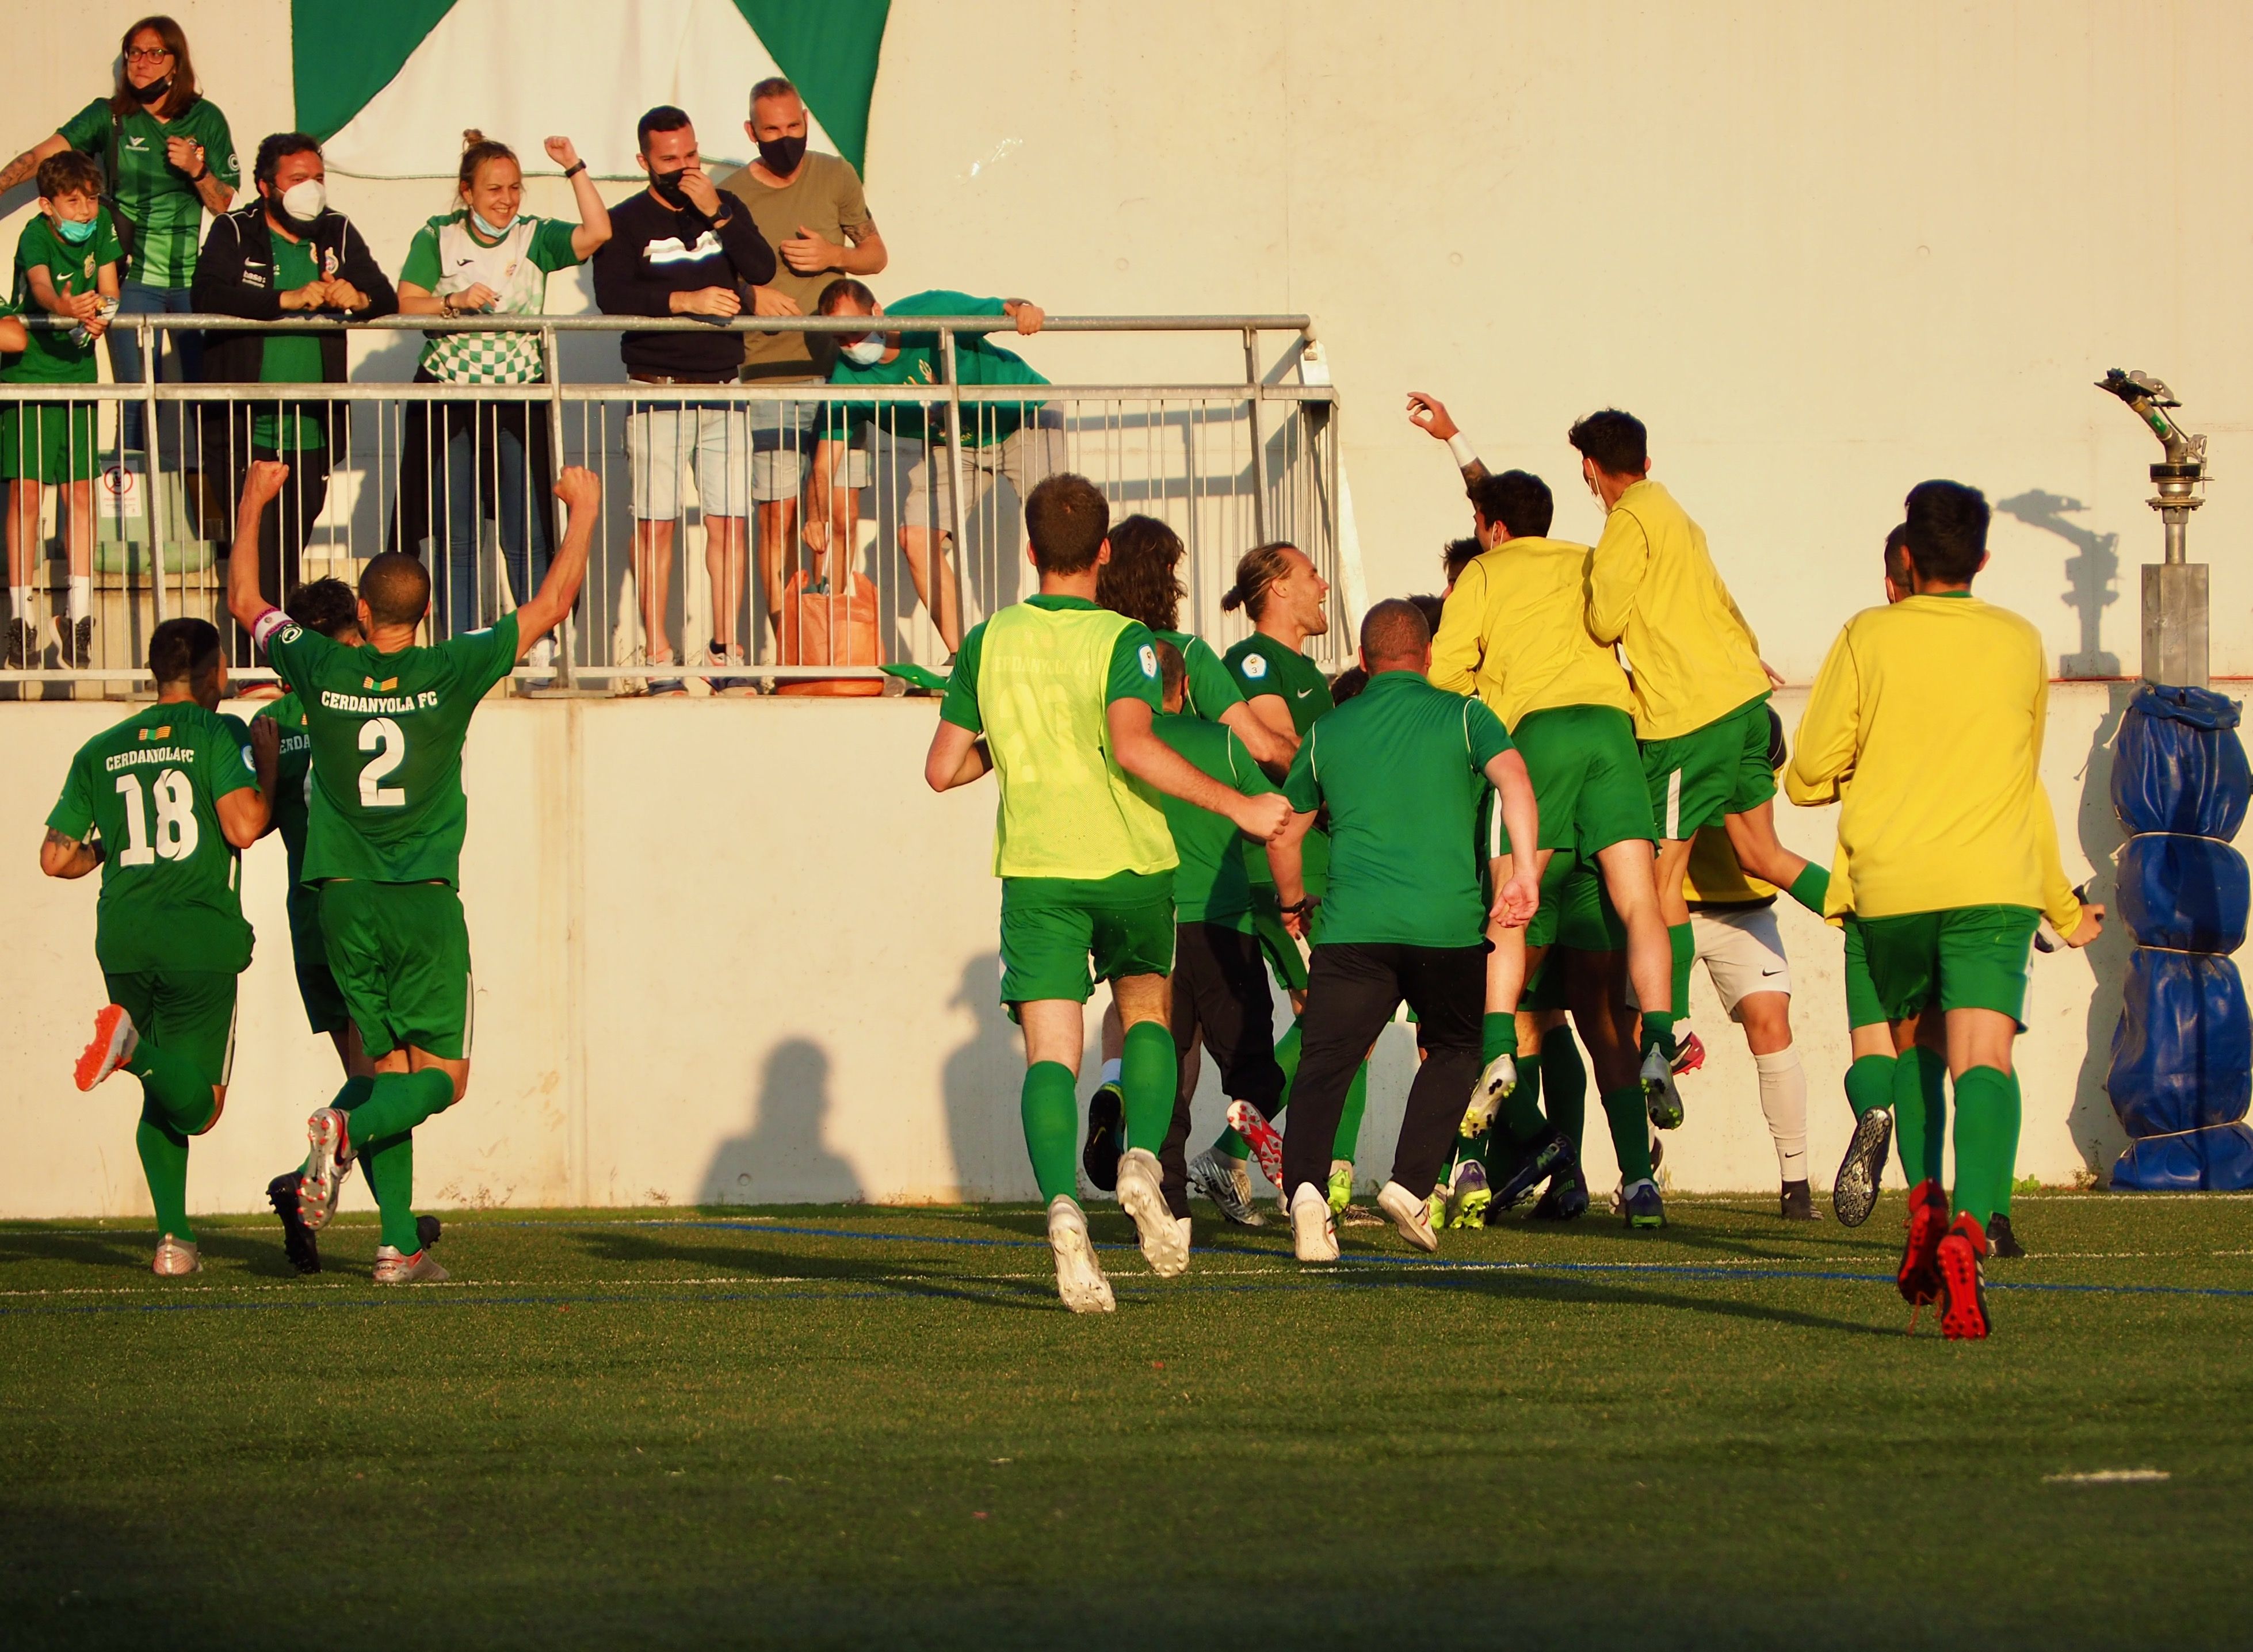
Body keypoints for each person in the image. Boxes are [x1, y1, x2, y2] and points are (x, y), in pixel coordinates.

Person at [224, 456, 601, 1283]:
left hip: (341, 901)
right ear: (427, 615)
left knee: (386, 1068)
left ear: (361, 610)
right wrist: (584, 511)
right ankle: (343, 1132)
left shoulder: (319, 669)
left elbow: (247, 603)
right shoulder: (449, 669)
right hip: (424, 902)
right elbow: (553, 605)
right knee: (445, 1082)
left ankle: (397, 1245)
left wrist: (254, 502)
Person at [922, 473, 1293, 1313]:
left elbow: (944, 768)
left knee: (1051, 1053)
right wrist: (1237, 802)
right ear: (1103, 551)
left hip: (1038, 873)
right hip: (1129, 867)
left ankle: (1062, 1207)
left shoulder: (988, 642)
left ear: (1028, 552)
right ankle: (1138, 1164)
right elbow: (1131, 746)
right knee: (1148, 1017)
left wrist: (1006, 744)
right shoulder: (1129, 640)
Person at [1787, 481, 2101, 1340]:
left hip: (1890, 885)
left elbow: (1809, 771)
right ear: (1984, 561)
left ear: (1906, 561)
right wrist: (2064, 906)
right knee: (1983, 1056)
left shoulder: (1867, 634)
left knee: (1913, 1044)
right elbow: (2021, 781)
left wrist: (1862, 766)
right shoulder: (2019, 642)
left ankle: (1922, 1209)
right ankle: (1969, 1227)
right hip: (1994, 882)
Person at [1423, 462, 1678, 1229]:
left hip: (1535, 744)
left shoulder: (1486, 573)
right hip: (1611, 732)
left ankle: (1497, 1053)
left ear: (1494, 531)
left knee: (1511, 907)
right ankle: (1643, 1158)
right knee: (1626, 939)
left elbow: (1442, 675)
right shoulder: (1586, 560)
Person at [1270, 599, 1540, 1261]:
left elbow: (1286, 828)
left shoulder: (1329, 731)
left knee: (1324, 1065)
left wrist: (1291, 898)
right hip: (1445, 928)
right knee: (1453, 1046)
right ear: (1428, 658)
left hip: (1352, 927)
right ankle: (1410, 1184)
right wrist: (1523, 871)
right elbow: (1515, 780)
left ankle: (1306, 1201)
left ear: (1363, 661)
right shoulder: (1465, 715)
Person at [44, 616, 276, 1276]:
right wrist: (269, 772)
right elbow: (245, 825)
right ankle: (134, 1048)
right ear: (213, 675)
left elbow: (54, 859)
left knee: (158, 1092)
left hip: (123, 936)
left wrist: (103, 847)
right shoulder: (217, 732)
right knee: (200, 1105)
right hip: (197, 935)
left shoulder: (102, 747)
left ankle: (175, 1243)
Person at [1078, 513, 1296, 1191]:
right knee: (1240, 1046)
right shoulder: (1185, 655)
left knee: (1155, 1035)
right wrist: (1319, 773)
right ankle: (1245, 1129)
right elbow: (1258, 744)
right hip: (1217, 902)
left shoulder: (1097, 649)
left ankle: (1127, 1115)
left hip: (1128, 879)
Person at [1204, 542, 1373, 1212]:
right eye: (1310, 574)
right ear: (1275, 587)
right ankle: (1233, 1152)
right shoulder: (1253, 661)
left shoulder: (1306, 670)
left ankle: (1322, 1174)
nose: (1324, 584)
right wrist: (1357, 791)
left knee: (1344, 1024)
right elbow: (1274, 751)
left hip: (1322, 865)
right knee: (1341, 1019)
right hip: (1282, 865)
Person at [394, 131, 609, 640]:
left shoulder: (533, 234)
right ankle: (460, 643)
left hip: (518, 396)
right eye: (494, 189)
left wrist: (573, 166)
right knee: (458, 533)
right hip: (450, 395)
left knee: (527, 529)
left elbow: (599, 231)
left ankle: (538, 645)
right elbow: (407, 302)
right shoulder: (438, 235)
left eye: (514, 188)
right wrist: (455, 302)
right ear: (467, 193)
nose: (507, 199)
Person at [591, 106, 776, 695]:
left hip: (723, 389)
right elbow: (612, 294)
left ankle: (725, 649)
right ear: (644, 162)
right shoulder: (625, 221)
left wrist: (718, 213)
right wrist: (685, 301)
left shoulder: (723, 209)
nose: (684, 168)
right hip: (657, 391)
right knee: (656, 526)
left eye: (691, 156)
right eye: (670, 160)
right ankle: (659, 653)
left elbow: (762, 266)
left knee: (729, 523)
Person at [193, 132, 395, 655]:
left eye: (319, 178)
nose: (312, 190)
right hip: (242, 429)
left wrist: (359, 296)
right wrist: (284, 298)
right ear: (266, 186)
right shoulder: (234, 231)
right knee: (248, 555)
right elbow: (207, 292)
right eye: (298, 179)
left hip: (311, 430)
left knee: (285, 556)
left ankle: (277, 665)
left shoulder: (338, 231)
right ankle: (245, 668)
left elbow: (386, 295)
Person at [0, 14, 238, 454]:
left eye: (153, 53)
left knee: (206, 398)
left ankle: (220, 500)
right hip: (131, 280)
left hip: (192, 280)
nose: (141, 62)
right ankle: (132, 506)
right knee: (136, 397)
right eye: (133, 53)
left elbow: (223, 203)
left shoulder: (205, 119)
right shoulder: (108, 116)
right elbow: (40, 157)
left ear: (175, 62)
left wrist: (197, 168)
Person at [716, 77, 886, 634]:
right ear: (751, 132)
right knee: (778, 519)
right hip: (767, 372)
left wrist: (832, 254)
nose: (785, 138)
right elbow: (715, 279)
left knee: (841, 514)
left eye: (794, 126)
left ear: (806, 119)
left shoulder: (836, 175)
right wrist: (753, 296)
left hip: (839, 373)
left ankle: (834, 638)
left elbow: (876, 255)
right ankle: (789, 645)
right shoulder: (731, 193)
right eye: (772, 130)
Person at [807, 280, 1057, 653]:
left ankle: (1077, 641)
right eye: (839, 339)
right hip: (954, 442)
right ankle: (963, 659)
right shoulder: (847, 379)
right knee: (917, 539)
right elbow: (826, 463)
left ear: (877, 311)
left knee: (1059, 532)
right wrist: (816, 516)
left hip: (1022, 415)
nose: (852, 346)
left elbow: (1005, 307)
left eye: (856, 332)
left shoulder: (926, 309)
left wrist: (1027, 309)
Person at [1138, 639, 1293, 1227]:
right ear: (1184, 689)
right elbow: (1270, 817)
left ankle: (1165, 1205)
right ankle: (1245, 1115)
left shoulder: (1127, 750)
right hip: (1223, 928)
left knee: (1164, 1074)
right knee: (1256, 1066)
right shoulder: (1222, 743)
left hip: (1155, 930)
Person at [250, 577, 371, 1275]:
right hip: (364, 909)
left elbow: (253, 825)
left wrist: (268, 774)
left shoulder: (271, 721)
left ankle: (392, 1224)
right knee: (383, 1079)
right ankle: (308, 1181)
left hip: (306, 916)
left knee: (362, 1074)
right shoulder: (363, 701)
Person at [1672, 706, 1817, 1219]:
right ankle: (1639, 1173)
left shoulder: (1763, 728)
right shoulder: (1658, 713)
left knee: (1771, 1024)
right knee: (1638, 1034)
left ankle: (1796, 1185)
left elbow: (1741, 824)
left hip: (1743, 905)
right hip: (1667, 908)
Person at [5, 151, 120, 670]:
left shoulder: (102, 227)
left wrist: (102, 315)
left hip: (77, 374)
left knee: (80, 492)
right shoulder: (34, 233)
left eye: (91, 199)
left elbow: (111, 291)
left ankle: (78, 614)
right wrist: (68, 308)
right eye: (72, 201)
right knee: (26, 495)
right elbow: (43, 288)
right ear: (48, 204)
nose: (84, 211)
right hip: (30, 374)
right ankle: (20, 618)